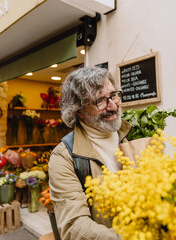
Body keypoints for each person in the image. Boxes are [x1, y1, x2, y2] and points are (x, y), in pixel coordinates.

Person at [48, 66, 131, 240]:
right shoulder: (64, 157)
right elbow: (74, 227)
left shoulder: (134, 134)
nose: (113, 105)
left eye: (113, 95)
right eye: (100, 101)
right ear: (79, 111)